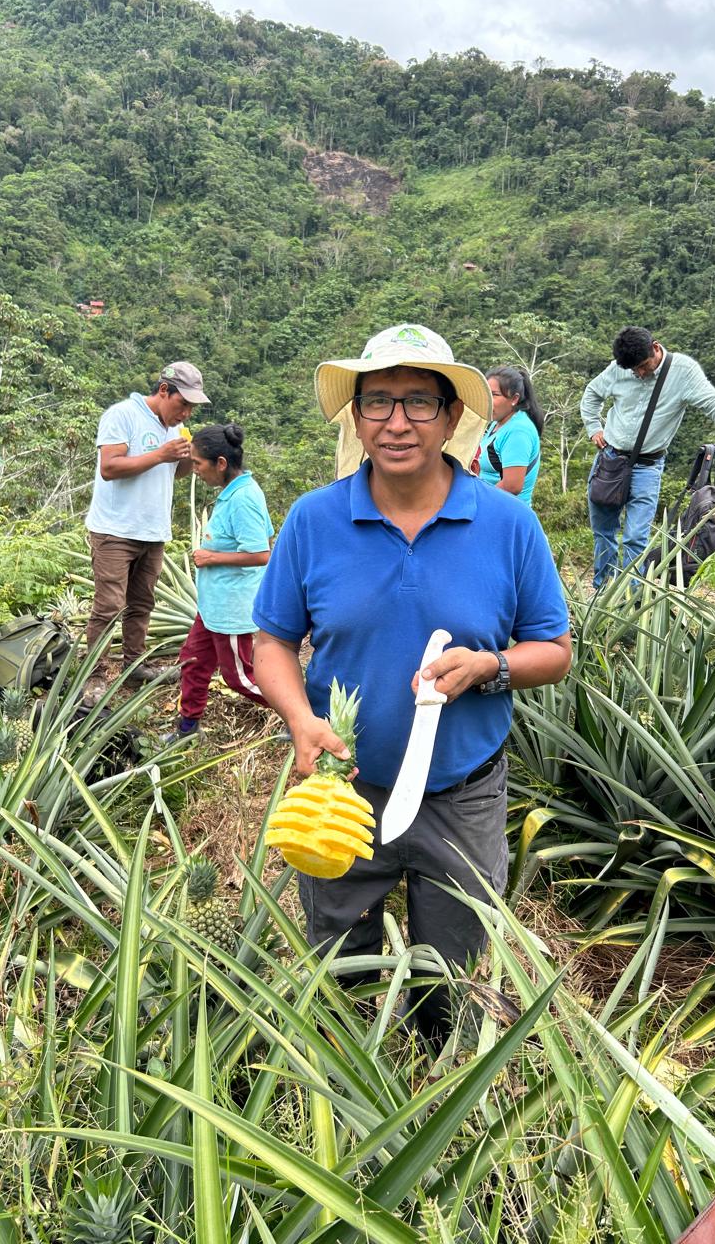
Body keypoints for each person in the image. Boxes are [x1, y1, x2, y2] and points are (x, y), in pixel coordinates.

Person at [252, 323, 571, 1049]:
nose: (397, 423)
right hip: (343, 790)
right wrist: (300, 719)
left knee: (452, 974)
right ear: (356, 417)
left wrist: (489, 666)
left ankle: (439, 1078)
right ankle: (348, 1074)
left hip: (461, 793)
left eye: (419, 403)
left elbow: (554, 652)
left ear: (452, 417)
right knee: (340, 962)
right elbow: (272, 642)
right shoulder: (313, 520)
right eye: (378, 402)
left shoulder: (508, 525)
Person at [580, 326, 715, 590]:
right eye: (634, 370)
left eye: (643, 366)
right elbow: (592, 394)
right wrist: (593, 428)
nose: (640, 373)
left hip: (647, 467)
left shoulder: (683, 371)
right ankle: (603, 590)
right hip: (610, 461)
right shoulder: (618, 369)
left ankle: (630, 599)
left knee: (635, 538)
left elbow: (714, 402)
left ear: (656, 348)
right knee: (603, 532)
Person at [84, 360, 208, 690]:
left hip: (153, 531)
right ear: (164, 390)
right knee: (109, 608)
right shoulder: (122, 415)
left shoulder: (175, 428)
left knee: (141, 604)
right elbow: (109, 467)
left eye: (192, 408)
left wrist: (184, 458)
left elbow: (174, 473)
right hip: (115, 531)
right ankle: (93, 677)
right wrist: (161, 454)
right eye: (183, 404)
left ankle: (135, 666)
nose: (186, 414)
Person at [173, 424, 274, 737]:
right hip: (213, 606)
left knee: (239, 678)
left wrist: (211, 558)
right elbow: (266, 534)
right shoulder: (235, 492)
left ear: (220, 463)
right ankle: (188, 727)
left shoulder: (243, 498)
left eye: (197, 463)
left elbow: (261, 553)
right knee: (193, 661)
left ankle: (303, 713)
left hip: (230, 609)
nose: (194, 470)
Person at [471, 365, 543, 505]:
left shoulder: (518, 430)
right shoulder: (496, 423)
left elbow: (512, 486)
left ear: (514, 399)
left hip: (505, 511)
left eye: (495, 395)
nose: (488, 400)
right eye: (487, 394)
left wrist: (477, 501)